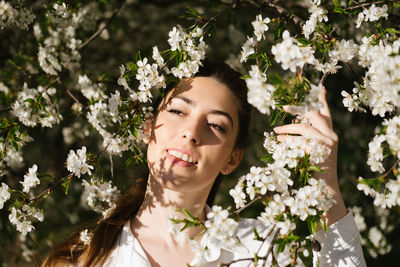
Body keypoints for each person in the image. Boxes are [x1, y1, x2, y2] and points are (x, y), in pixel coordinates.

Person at [42, 62, 366, 267]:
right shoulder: (80, 258)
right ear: (147, 129)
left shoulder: (264, 248)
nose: (191, 132)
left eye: (215, 126)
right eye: (178, 111)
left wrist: (326, 188)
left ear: (232, 160)